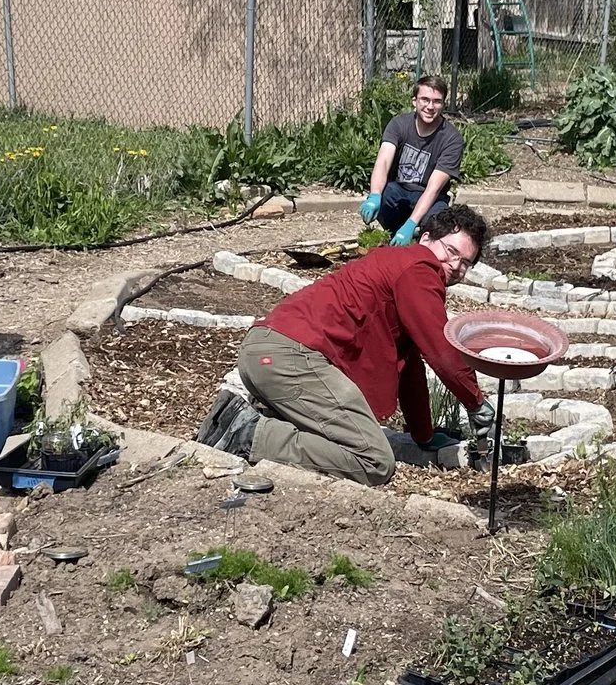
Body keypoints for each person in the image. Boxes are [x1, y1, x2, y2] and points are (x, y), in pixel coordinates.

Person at [197, 205, 494, 484]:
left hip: (265, 350)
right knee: (374, 461)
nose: (456, 265)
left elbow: (410, 364)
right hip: (292, 357)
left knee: (338, 440)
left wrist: (424, 436)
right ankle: (248, 433)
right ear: (427, 238)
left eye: (466, 262)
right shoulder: (419, 269)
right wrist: (475, 402)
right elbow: (441, 349)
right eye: (452, 251)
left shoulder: (396, 263)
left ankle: (255, 421)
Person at [360, 76, 464, 244]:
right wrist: (374, 195)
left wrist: (411, 223)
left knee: (438, 223)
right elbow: (383, 161)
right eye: (425, 100)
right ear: (414, 101)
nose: (430, 107)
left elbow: (433, 189)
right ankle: (393, 236)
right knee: (386, 195)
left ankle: (416, 238)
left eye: (437, 101)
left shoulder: (452, 139)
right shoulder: (399, 124)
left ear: (443, 104)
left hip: (430, 198)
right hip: (399, 190)